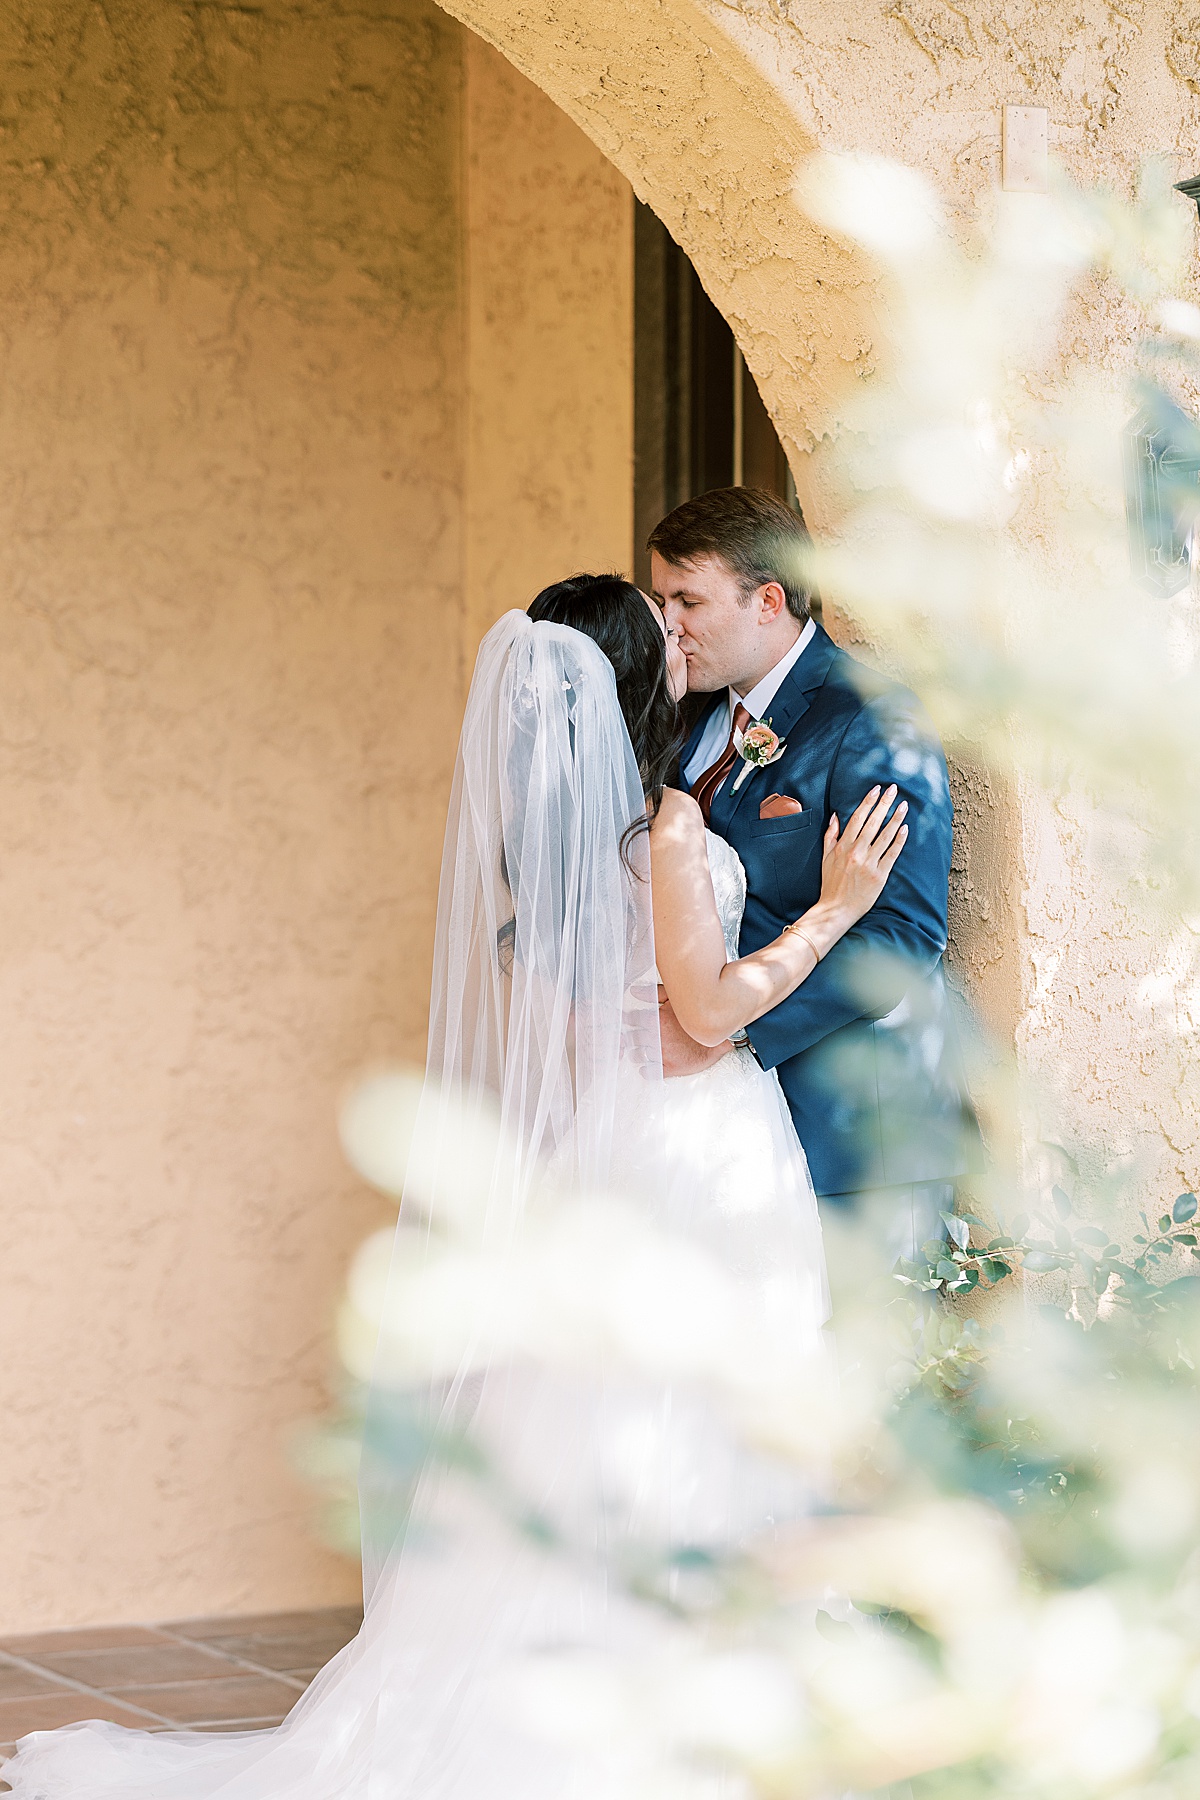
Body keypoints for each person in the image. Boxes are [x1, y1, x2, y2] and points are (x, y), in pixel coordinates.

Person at [1, 580, 902, 1798]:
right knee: (688, 1417)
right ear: (635, 678)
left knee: (588, 1433)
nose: (681, 635)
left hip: (608, 1150)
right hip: (696, 1147)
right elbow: (703, 1018)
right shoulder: (669, 828)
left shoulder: (549, 845)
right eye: (664, 624)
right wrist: (833, 915)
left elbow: (605, 1032)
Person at [649, 486, 977, 1259]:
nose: (669, 625)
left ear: (767, 601)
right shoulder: (684, 716)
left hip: (847, 1138)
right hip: (723, 1137)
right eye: (662, 600)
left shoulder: (871, 717)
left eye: (688, 601)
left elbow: (905, 934)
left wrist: (731, 1034)